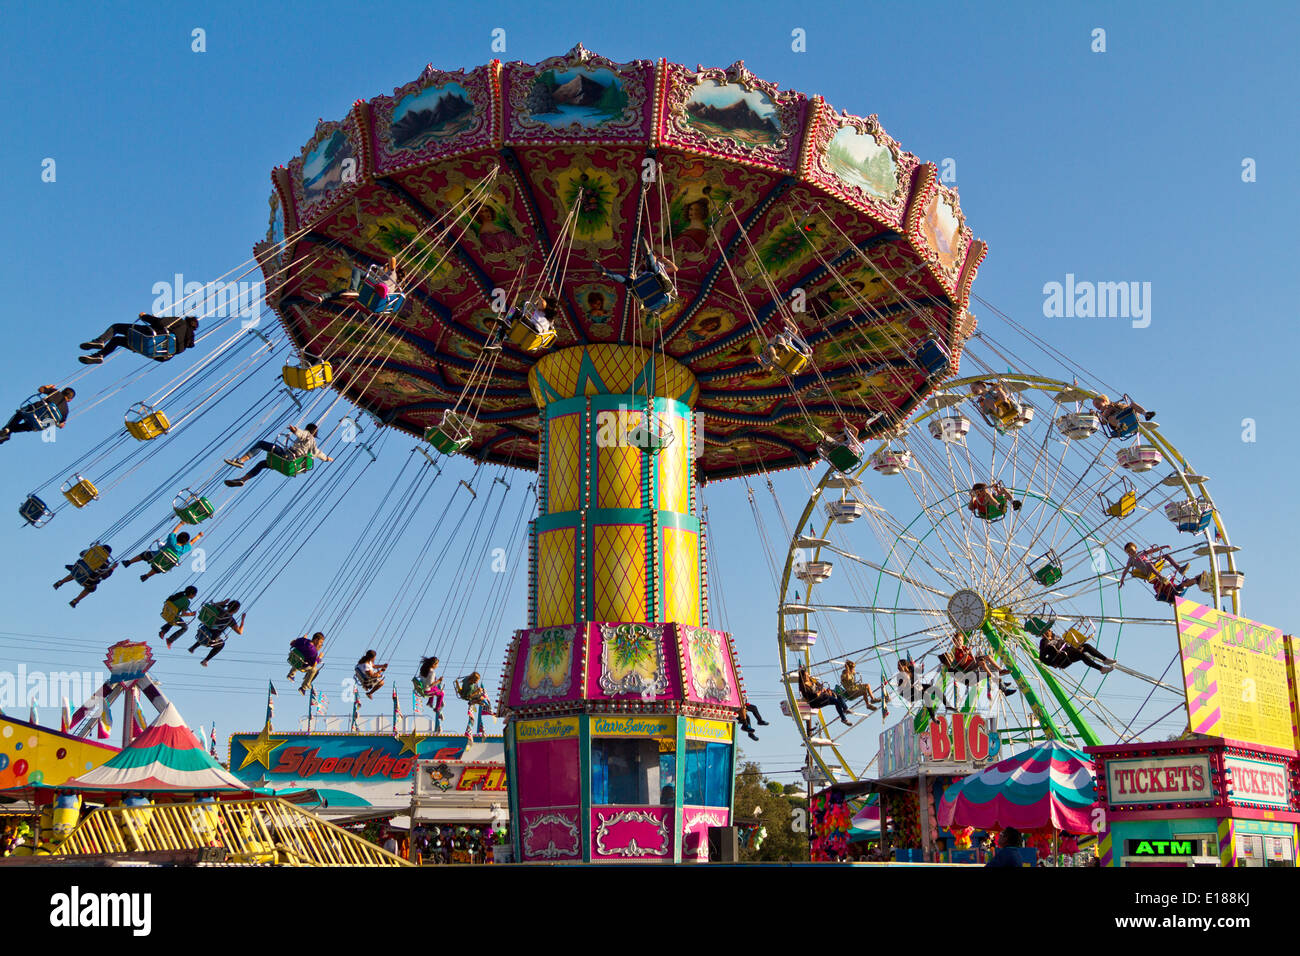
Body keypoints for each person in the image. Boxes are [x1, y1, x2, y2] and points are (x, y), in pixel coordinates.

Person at [224, 422, 333, 486]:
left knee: (261, 444)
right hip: (291, 465)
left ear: (308, 429)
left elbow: (302, 434)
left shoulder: (307, 434)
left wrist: (294, 430)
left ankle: (241, 461)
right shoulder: (314, 445)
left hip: (287, 456)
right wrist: (328, 458)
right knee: (262, 464)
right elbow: (320, 454)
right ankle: (243, 480)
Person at [78, 314, 198, 364]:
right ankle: (99, 356)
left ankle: (100, 342)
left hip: (150, 337)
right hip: (156, 353)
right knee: (117, 341)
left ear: (187, 320)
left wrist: (144, 316)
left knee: (117, 327)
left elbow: (160, 322)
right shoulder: (187, 342)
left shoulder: (180, 322)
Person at [123, 523, 203, 581]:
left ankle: (129, 562)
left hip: (154, 556)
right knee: (158, 567)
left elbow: (174, 531)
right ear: (185, 542)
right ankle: (147, 576)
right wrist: (199, 536)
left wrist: (181, 523)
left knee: (144, 555)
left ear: (177, 537)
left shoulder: (172, 541)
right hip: (164, 564)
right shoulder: (184, 548)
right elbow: (192, 542)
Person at [0, 385, 75, 444]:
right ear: (70, 399)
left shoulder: (55, 393)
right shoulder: (66, 411)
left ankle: (7, 430)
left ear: (63, 391)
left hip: (33, 411)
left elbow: (41, 389)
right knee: (28, 426)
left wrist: (47, 387)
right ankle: (8, 432)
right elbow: (61, 425)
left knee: (20, 413)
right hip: (39, 424)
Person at [187, 600, 245, 666]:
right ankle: (205, 660)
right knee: (221, 644)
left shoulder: (220, 608)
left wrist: (223, 602)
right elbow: (239, 632)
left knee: (208, 633)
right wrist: (242, 620)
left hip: (204, 629)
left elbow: (211, 605)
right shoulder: (231, 620)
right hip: (212, 638)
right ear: (236, 610)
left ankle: (193, 647)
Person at [1118, 542, 1189, 588]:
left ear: (1136, 549)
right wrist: (1122, 579)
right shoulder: (1131, 560)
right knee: (1149, 564)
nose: (1130, 552)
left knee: (1166, 556)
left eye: (1131, 550)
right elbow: (1126, 570)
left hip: (1152, 566)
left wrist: (1164, 546)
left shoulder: (1142, 553)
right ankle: (1161, 577)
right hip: (1147, 571)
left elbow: (1153, 550)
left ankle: (1180, 569)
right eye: (1128, 552)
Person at [1038, 629, 1114, 673]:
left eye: (1049, 630)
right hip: (1061, 658)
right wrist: (1052, 664)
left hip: (1069, 651)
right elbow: (1041, 657)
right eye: (1046, 631)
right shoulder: (1044, 642)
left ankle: (1105, 659)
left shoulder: (1056, 637)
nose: (1048, 631)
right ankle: (1101, 669)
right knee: (1080, 655)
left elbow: (1065, 643)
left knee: (1086, 646)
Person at [1092, 393, 1156, 429]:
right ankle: (1121, 425)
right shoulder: (1101, 414)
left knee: (1132, 404)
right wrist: (1105, 411)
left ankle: (1146, 414)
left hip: (1126, 415)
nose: (1097, 407)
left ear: (1104, 401)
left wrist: (1114, 406)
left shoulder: (1114, 404)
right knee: (1110, 418)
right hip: (1116, 423)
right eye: (1096, 406)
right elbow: (1103, 422)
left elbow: (1124, 407)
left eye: (1097, 404)